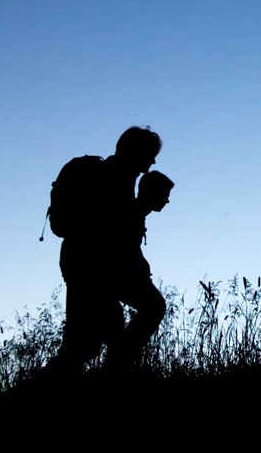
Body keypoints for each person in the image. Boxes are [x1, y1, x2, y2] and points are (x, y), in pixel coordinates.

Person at [44, 126, 168, 377]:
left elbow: (120, 237)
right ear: (132, 151)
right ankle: (109, 378)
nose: (153, 161)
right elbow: (110, 234)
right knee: (85, 345)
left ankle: (109, 376)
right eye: (150, 154)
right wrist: (139, 209)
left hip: (86, 267)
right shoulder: (111, 178)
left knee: (86, 344)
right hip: (90, 269)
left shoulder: (124, 178)